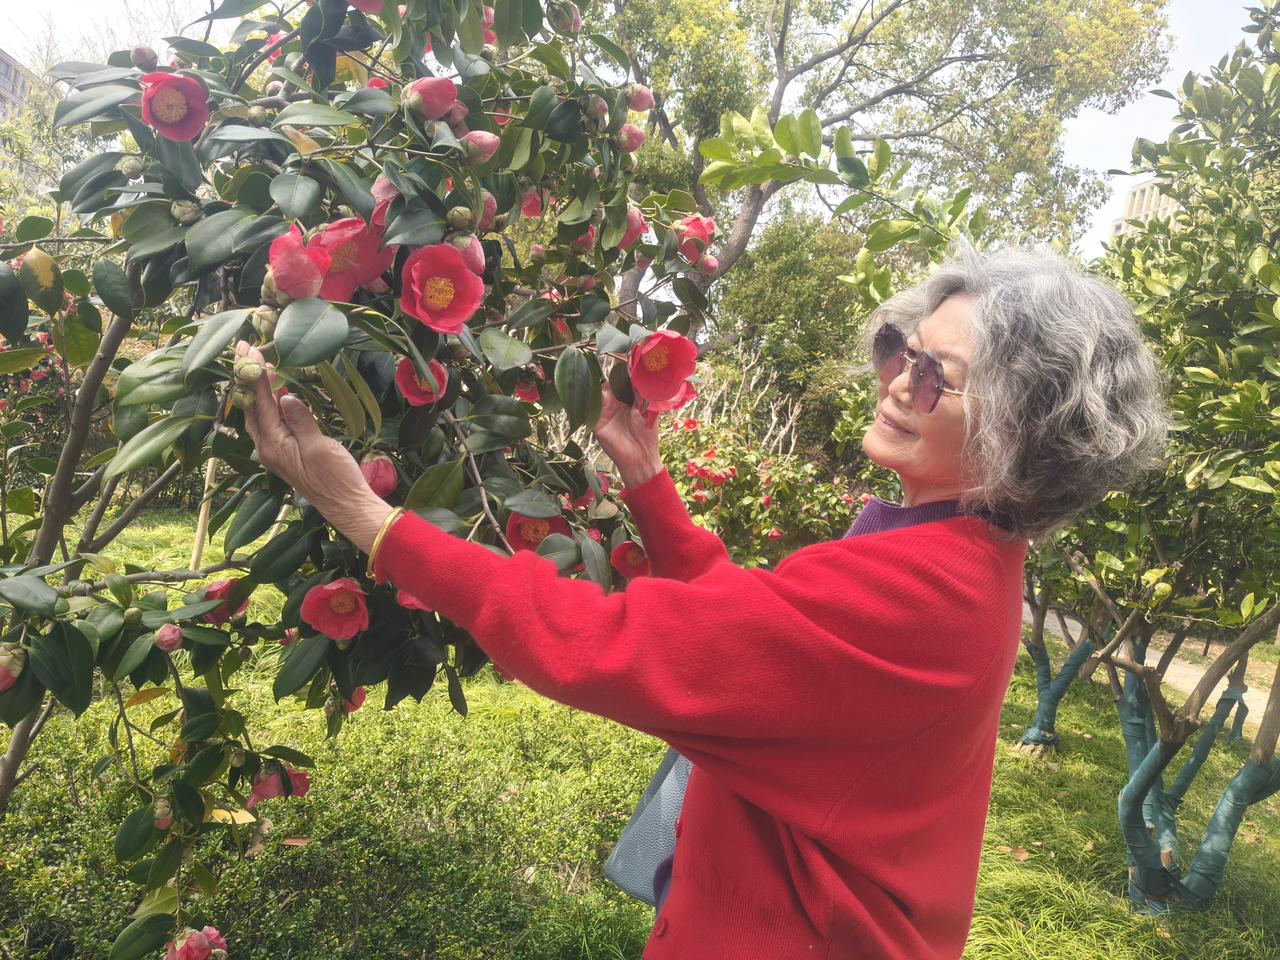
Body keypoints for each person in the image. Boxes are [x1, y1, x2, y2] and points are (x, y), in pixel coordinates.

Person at [240, 244, 1167, 959]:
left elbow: (607, 644)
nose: (896, 383)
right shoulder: (952, 546)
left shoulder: (924, 590)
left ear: (1022, 438)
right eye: (902, 351)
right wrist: (648, 484)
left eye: (937, 377)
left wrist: (367, 516)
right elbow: (764, 642)